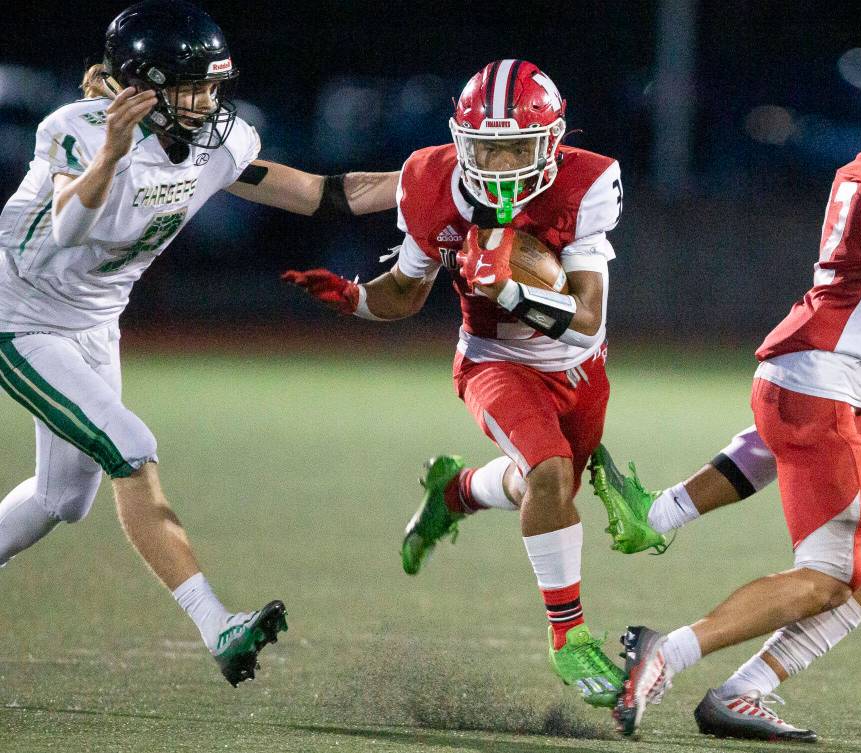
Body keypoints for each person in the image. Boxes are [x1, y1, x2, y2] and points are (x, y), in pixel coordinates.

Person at [597, 45, 861, 737]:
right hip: (825, 385)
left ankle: (739, 684)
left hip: (822, 382)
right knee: (829, 575)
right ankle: (665, 651)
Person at [0, 0, 397, 686]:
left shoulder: (216, 141)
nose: (208, 101)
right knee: (130, 445)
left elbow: (315, 193)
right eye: (193, 86)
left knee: (65, 499)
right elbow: (68, 227)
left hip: (95, 323)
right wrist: (114, 156)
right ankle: (219, 624)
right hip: (22, 318)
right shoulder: (76, 129)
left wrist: (429, 183)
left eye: (214, 85)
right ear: (142, 84)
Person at [283, 59, 627, 706]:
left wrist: (508, 285)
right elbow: (406, 293)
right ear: (460, 142)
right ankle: (569, 634)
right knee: (551, 475)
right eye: (485, 150)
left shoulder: (588, 179)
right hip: (493, 359)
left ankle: (457, 489)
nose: (498, 167)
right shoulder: (430, 179)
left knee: (542, 488)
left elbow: (584, 322)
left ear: (551, 142)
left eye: (514, 149)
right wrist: (356, 298)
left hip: (578, 365)